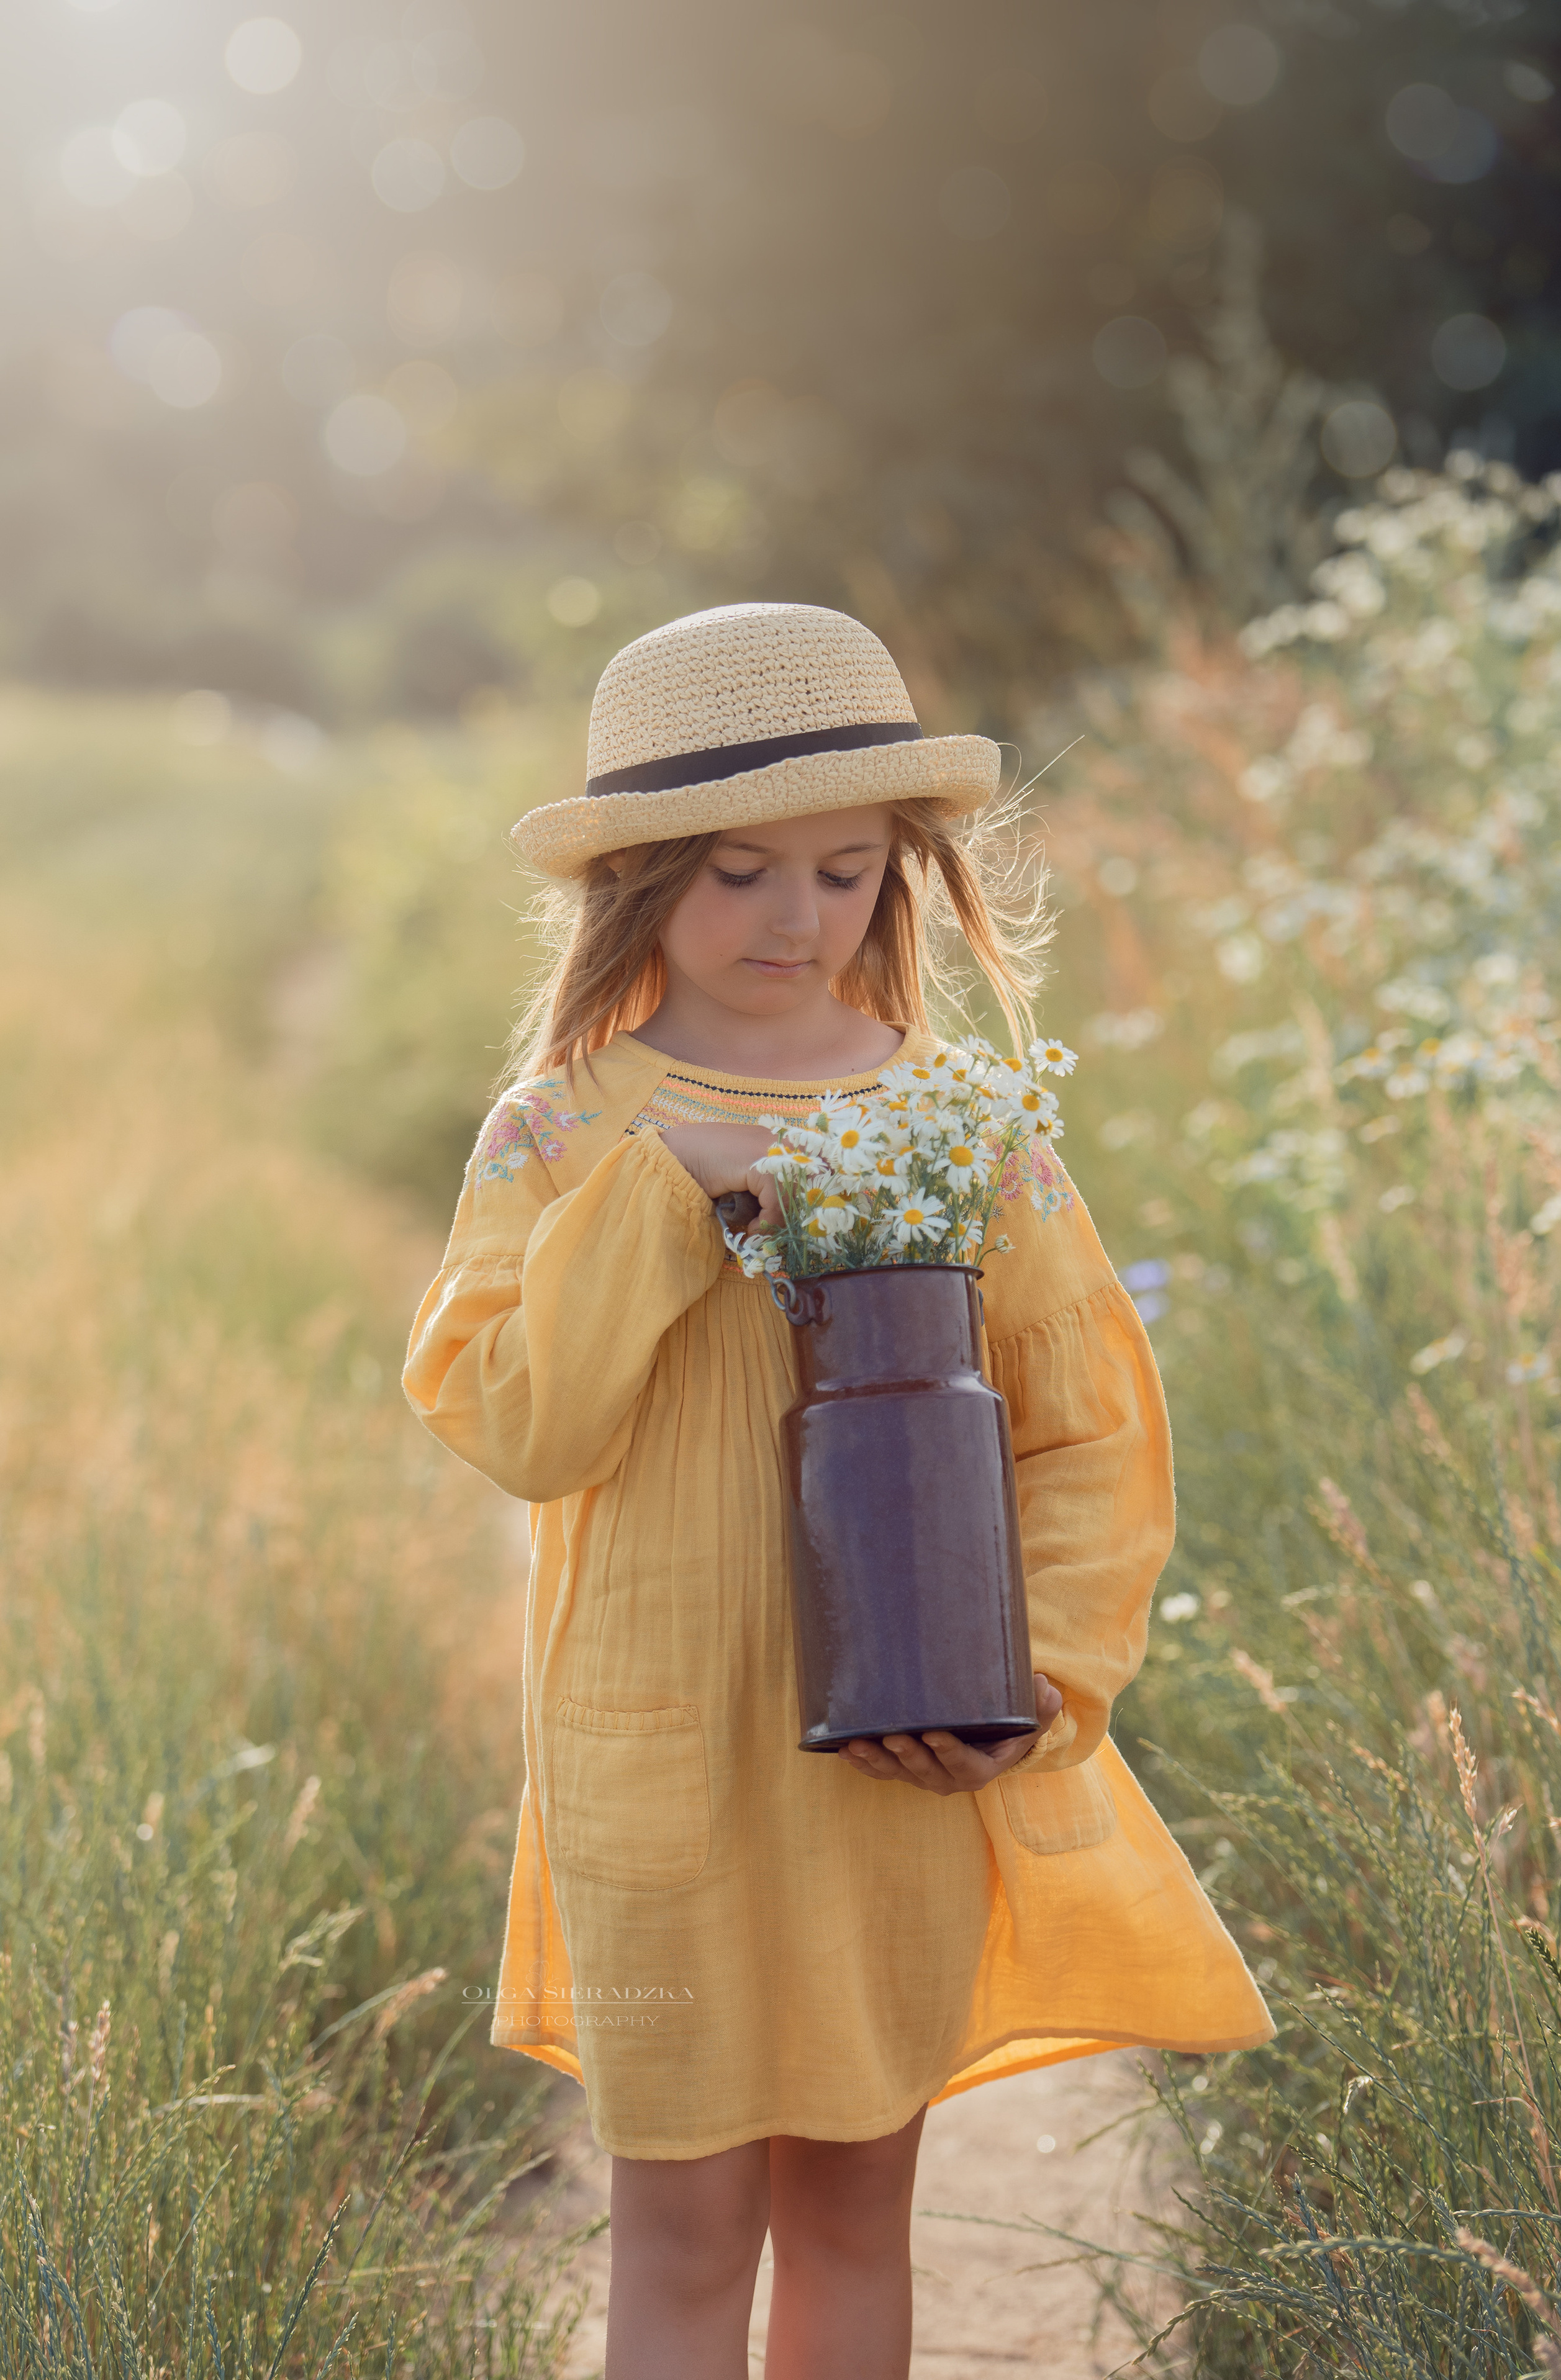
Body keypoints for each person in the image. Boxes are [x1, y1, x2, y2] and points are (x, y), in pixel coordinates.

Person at [402, 602, 1273, 2380]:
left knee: (858, 2217)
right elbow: (518, 1418)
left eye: (847, 872)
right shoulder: (563, 1123)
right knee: (683, 2235)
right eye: (737, 872)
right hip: (660, 1767)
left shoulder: (962, 1119)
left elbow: (1091, 1424)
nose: (797, 920)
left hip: (895, 1747)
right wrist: (664, 1184)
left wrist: (1040, 1679)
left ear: (906, 876)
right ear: (637, 879)